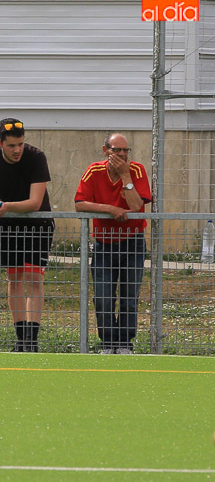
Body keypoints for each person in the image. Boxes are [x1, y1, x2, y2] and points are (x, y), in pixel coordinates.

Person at [0, 118, 55, 352]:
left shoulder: (36, 157)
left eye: (20, 144)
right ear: (0, 143)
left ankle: (32, 341)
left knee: (34, 279)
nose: (17, 149)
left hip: (37, 222)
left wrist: (6, 206)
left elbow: (35, 202)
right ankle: (21, 340)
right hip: (8, 223)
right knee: (15, 278)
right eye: (11, 145)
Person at [75, 133, 152, 355]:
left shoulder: (136, 170)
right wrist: (109, 209)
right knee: (103, 297)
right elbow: (80, 203)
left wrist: (125, 175)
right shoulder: (94, 171)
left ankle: (125, 343)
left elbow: (136, 206)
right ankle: (108, 343)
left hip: (132, 242)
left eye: (126, 150)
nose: (122, 154)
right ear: (105, 150)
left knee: (129, 297)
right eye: (117, 150)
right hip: (104, 243)